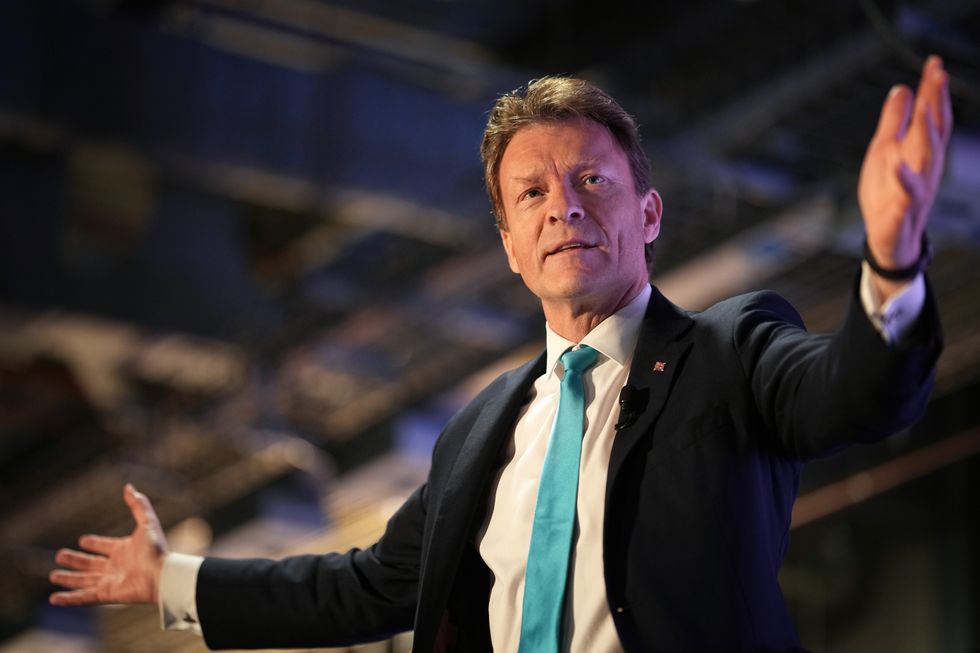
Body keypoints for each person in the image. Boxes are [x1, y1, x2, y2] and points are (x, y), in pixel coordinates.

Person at [50, 55, 952, 652]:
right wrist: (168, 578)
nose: (563, 206)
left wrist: (892, 261)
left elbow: (857, 396)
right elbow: (368, 584)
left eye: (591, 180)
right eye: (532, 193)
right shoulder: (479, 430)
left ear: (647, 214)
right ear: (513, 246)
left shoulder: (732, 347)